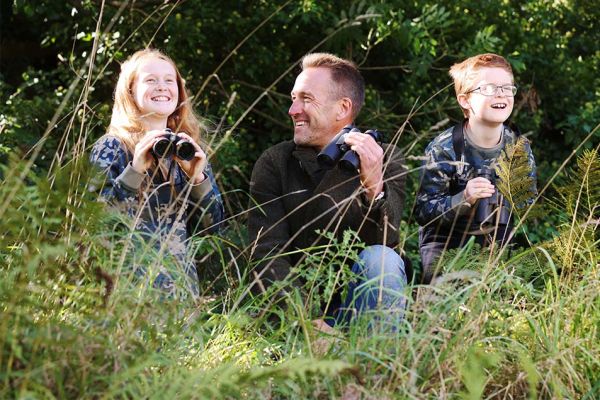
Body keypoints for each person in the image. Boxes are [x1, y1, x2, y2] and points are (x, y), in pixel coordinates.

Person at [248, 53, 407, 330]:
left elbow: (386, 241)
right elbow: (266, 252)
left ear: (342, 108)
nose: (293, 110)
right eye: (293, 98)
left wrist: (373, 186)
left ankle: (378, 368)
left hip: (359, 311)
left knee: (382, 259)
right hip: (293, 314)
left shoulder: (385, 157)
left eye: (306, 99)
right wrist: (305, 321)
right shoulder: (276, 161)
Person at [90, 49, 224, 298]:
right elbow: (94, 224)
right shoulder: (112, 147)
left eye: (169, 80)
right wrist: (135, 170)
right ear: (130, 91)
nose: (162, 87)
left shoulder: (187, 148)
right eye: (150, 80)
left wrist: (198, 179)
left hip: (180, 299)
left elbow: (212, 230)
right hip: (126, 297)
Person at [415, 53, 537, 284]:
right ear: (465, 100)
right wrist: (463, 199)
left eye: (507, 88)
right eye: (490, 88)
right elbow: (422, 212)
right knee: (444, 299)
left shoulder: (518, 147)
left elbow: (528, 201)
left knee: (505, 292)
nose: (501, 93)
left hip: (496, 237)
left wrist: (504, 198)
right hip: (445, 240)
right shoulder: (444, 148)